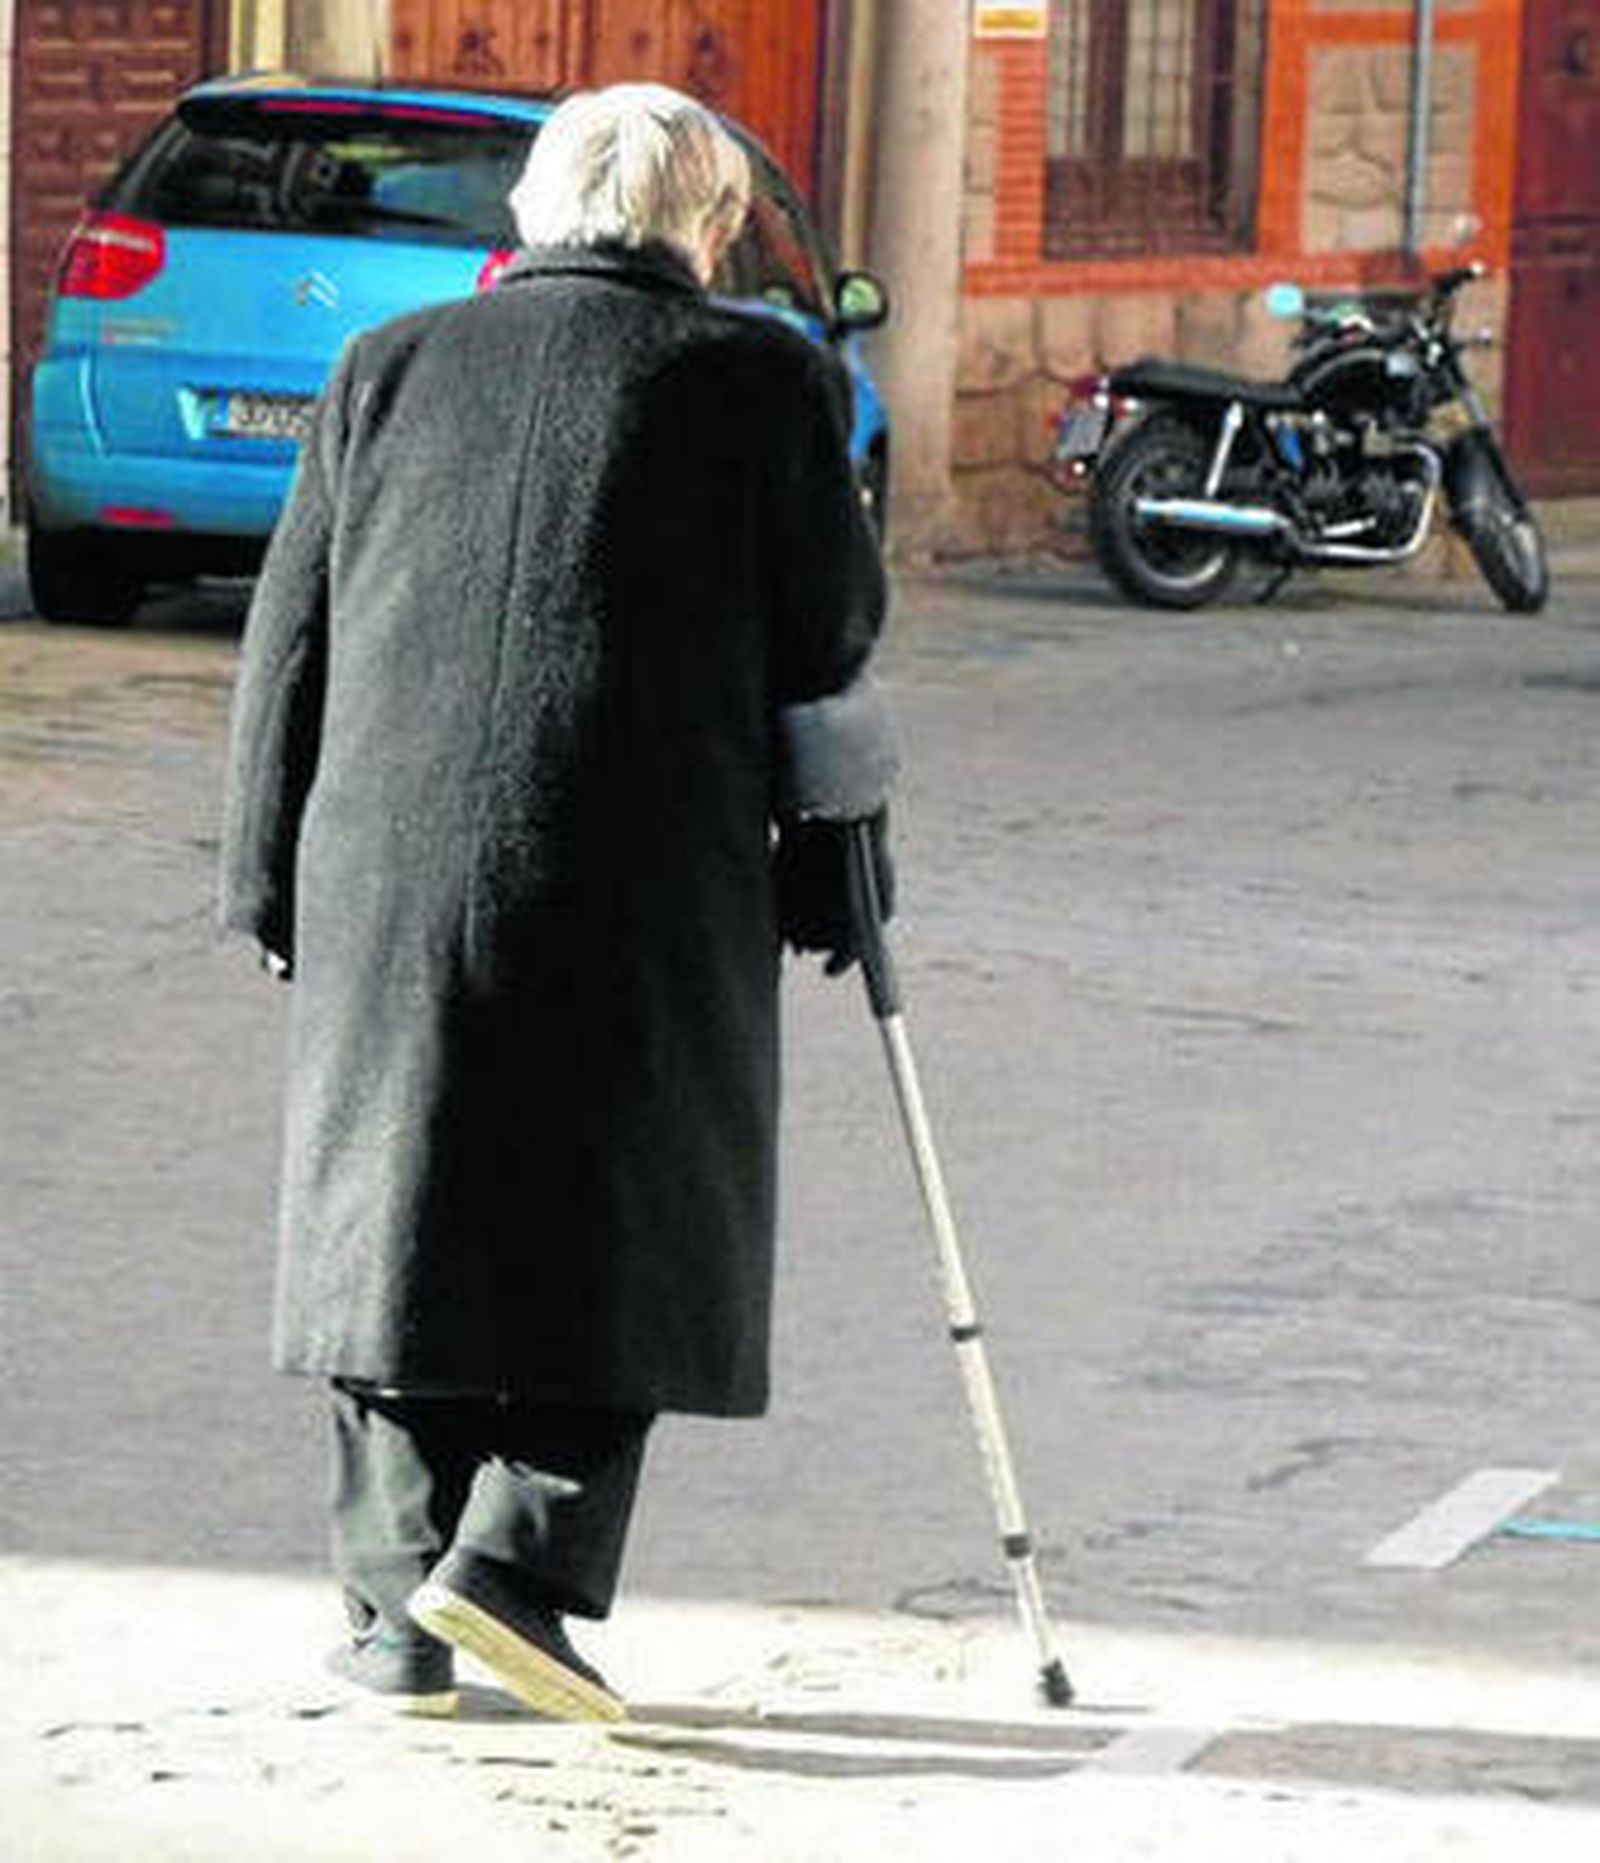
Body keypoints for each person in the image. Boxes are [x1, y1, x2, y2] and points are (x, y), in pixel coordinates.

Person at [219, 82, 893, 1722]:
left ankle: (397, 1614)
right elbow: (827, 651)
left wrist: (262, 865)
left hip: (389, 859)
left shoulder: (386, 366)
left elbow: (290, 638)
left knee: (398, 1210)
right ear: (707, 228)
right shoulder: (763, 380)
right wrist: (844, 870)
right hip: (644, 868)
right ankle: (518, 1566)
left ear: (531, 208)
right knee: (631, 1218)